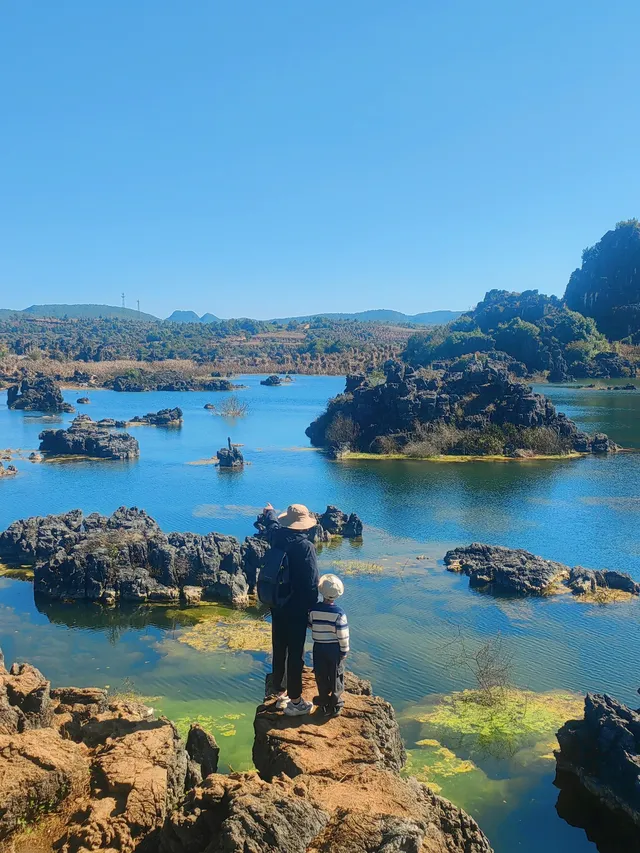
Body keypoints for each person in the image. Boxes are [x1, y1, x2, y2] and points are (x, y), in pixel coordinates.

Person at [262, 502, 319, 716]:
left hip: (277, 603)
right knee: (295, 653)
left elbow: (272, 525)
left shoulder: (278, 536)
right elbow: (312, 584)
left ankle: (281, 693)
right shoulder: (305, 547)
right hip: (296, 608)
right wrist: (312, 612)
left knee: (279, 646)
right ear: (304, 525)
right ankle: (295, 702)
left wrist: (269, 512)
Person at [309, 573, 349, 716]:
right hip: (334, 648)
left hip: (318, 647)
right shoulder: (339, 614)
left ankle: (324, 700)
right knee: (335, 674)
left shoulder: (313, 610)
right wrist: (344, 651)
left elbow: (310, 624)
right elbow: (343, 636)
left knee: (320, 673)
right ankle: (336, 703)